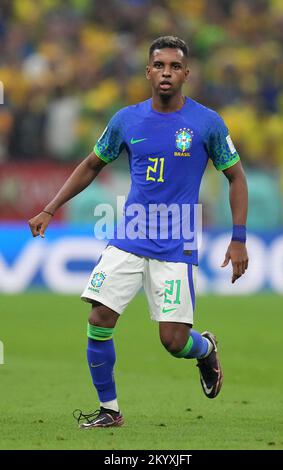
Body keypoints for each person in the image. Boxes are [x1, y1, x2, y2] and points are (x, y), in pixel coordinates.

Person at [28, 36, 248, 428]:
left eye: (175, 66)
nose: (167, 73)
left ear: (186, 74)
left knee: (174, 342)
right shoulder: (126, 120)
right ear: (148, 72)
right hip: (128, 238)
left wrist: (238, 238)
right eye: (159, 66)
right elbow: (92, 165)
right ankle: (110, 410)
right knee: (99, 317)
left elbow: (235, 177)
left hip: (176, 245)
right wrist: (50, 207)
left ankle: (205, 349)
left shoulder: (206, 123)